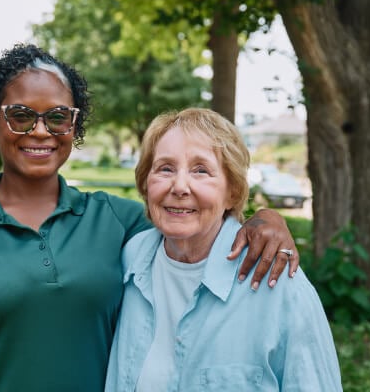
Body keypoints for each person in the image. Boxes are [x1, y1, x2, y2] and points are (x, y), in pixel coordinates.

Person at [0, 44, 299, 391]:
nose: (40, 131)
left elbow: (192, 220)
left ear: (74, 126)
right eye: (21, 115)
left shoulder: (118, 222)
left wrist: (266, 217)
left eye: (57, 117)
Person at [105, 108, 342, 391]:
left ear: (233, 191)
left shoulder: (278, 284)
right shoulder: (129, 261)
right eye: (165, 168)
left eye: (201, 170)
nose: (179, 186)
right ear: (146, 183)